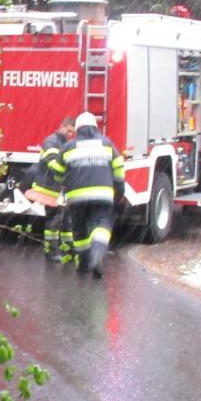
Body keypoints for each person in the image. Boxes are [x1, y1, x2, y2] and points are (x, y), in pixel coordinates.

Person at [60, 110, 125, 278]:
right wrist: (119, 192)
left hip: (77, 198)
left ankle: (83, 263)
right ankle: (97, 256)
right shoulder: (107, 144)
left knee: (80, 230)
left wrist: (63, 183)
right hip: (102, 195)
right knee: (102, 225)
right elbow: (119, 169)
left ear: (77, 129)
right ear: (96, 128)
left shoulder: (68, 147)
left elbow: (58, 172)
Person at [32, 115, 76, 265]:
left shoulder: (63, 143)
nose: (70, 134)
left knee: (66, 220)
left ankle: (68, 248)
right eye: (69, 130)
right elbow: (54, 165)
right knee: (54, 221)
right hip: (48, 188)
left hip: (57, 188)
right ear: (62, 126)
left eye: (72, 132)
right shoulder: (52, 142)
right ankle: (50, 252)